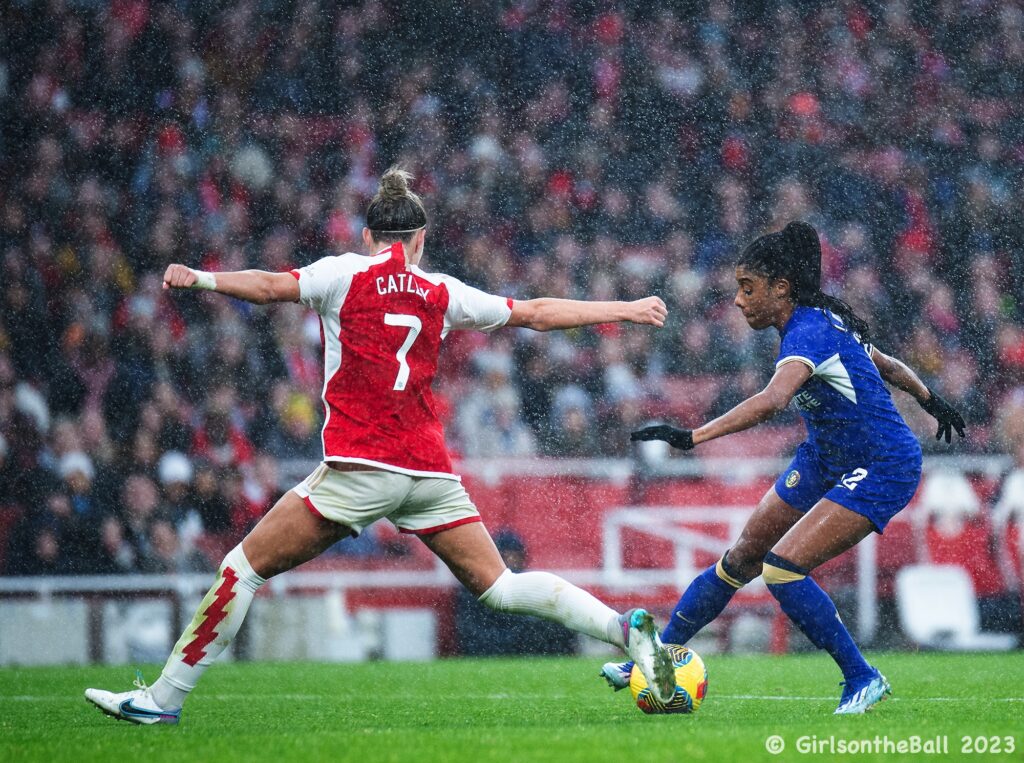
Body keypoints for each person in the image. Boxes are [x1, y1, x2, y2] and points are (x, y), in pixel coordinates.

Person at [85, 167, 676, 725]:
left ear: (368, 235)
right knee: (500, 587)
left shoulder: (343, 274)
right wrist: (623, 308)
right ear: (420, 239)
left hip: (359, 466)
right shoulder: (441, 291)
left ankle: (163, 700)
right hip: (426, 472)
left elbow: (268, 287)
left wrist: (204, 278)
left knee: (243, 567)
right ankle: (625, 629)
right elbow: (538, 314)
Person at [602, 221, 966, 715]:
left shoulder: (811, 332)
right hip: (826, 455)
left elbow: (774, 400)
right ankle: (655, 659)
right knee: (741, 558)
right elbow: (888, 365)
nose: (737, 300)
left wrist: (692, 437)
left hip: (882, 463)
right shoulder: (823, 321)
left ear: (781, 288)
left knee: (783, 569)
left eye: (747, 288)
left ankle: (862, 677)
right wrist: (931, 400)